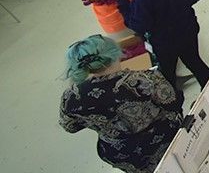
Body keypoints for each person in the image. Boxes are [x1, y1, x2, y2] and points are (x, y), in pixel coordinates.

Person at [59, 35, 183, 173]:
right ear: (115, 55)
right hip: (161, 139)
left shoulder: (70, 97)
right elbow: (172, 103)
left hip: (121, 153)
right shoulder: (144, 80)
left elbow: (70, 126)